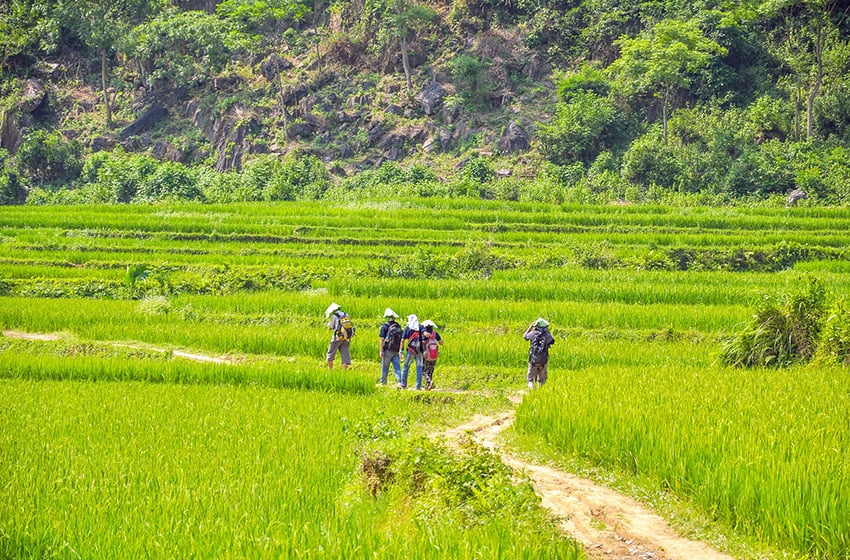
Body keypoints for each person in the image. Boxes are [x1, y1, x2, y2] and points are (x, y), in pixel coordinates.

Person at [524, 318, 555, 390]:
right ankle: (540, 394)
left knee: (530, 380)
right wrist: (548, 331)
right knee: (542, 381)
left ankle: (532, 392)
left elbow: (525, 336)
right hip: (543, 362)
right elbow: (553, 340)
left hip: (533, 361)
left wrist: (530, 327)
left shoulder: (533, 334)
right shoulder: (547, 336)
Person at [325, 302, 354, 370]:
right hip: (346, 337)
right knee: (345, 354)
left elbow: (331, 326)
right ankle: (344, 371)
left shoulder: (334, 316)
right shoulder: (346, 314)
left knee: (330, 353)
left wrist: (329, 327)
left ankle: (330, 370)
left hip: (337, 337)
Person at [378, 308, 403, 386]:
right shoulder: (398, 326)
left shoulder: (385, 326)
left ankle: (383, 382)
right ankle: (399, 382)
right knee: (397, 367)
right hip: (396, 349)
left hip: (387, 350)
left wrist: (381, 351)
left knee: (385, 367)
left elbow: (382, 339)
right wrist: (400, 350)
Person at [401, 314, 424, 389]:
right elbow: (425, 336)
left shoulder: (408, 328)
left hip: (410, 350)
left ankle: (403, 385)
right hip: (419, 351)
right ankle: (418, 386)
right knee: (419, 368)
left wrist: (401, 351)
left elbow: (403, 340)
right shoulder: (420, 327)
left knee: (406, 367)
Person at [421, 320, 443, 391]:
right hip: (434, 355)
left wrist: (424, 351)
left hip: (427, 355)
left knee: (423, 371)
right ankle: (428, 386)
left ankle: (429, 382)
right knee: (430, 370)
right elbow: (441, 342)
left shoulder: (425, 334)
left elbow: (423, 342)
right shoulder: (435, 334)